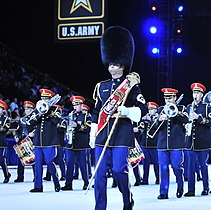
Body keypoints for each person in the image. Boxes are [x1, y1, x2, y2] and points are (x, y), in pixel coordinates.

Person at [89, 26, 147, 210]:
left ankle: (127, 199)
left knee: (118, 170)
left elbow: (142, 109)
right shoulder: (101, 86)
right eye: (110, 62)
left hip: (122, 132)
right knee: (99, 174)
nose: (111, 65)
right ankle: (100, 207)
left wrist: (127, 111)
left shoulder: (131, 86)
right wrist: (93, 132)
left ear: (123, 64)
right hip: (102, 132)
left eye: (115, 62)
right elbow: (96, 110)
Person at [152, 88, 187, 199]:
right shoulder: (161, 109)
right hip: (162, 144)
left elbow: (186, 120)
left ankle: (180, 186)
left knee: (176, 167)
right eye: (166, 98)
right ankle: (164, 192)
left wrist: (175, 112)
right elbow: (154, 128)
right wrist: (159, 119)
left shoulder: (181, 108)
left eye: (170, 97)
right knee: (163, 168)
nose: (167, 100)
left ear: (175, 98)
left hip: (176, 144)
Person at [26, 88, 62, 193]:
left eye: (46, 99)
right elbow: (31, 123)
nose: (44, 100)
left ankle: (56, 182)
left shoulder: (55, 109)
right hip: (38, 141)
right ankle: (38, 186)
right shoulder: (37, 110)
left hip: (50, 141)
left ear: (51, 99)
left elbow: (56, 121)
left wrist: (47, 111)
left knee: (50, 162)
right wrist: (39, 113)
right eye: (43, 99)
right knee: (37, 164)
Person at [183, 82, 211, 197]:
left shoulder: (206, 107)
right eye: (194, 93)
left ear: (201, 95)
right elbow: (185, 120)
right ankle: (191, 190)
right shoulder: (189, 107)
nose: (195, 95)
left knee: (203, 165)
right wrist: (185, 124)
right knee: (190, 166)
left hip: (202, 142)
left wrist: (199, 118)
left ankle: (206, 188)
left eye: (197, 93)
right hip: (190, 142)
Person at [61, 95, 91, 191]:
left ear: (81, 105)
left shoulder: (87, 116)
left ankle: (86, 183)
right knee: (69, 164)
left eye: (77, 105)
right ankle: (68, 184)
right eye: (74, 105)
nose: (75, 107)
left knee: (83, 165)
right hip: (70, 143)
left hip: (81, 144)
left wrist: (77, 126)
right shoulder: (71, 114)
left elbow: (88, 128)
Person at [13, 101, 36, 182]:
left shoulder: (35, 119)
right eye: (25, 109)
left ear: (32, 109)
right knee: (21, 160)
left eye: (28, 109)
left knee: (33, 159)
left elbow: (38, 129)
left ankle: (36, 177)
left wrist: (33, 133)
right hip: (22, 140)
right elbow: (18, 129)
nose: (26, 110)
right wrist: (16, 136)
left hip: (32, 141)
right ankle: (20, 177)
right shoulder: (22, 119)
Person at [43, 104, 67, 181]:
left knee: (60, 159)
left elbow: (62, 129)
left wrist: (55, 124)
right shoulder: (50, 120)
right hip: (51, 142)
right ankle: (48, 175)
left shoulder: (62, 120)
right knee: (50, 160)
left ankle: (64, 175)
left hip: (60, 143)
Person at [138, 102, 160, 185]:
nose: (150, 111)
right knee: (145, 163)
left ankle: (158, 178)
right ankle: (145, 179)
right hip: (145, 144)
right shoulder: (145, 117)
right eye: (149, 109)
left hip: (154, 144)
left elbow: (156, 127)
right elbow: (141, 128)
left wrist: (150, 121)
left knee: (156, 163)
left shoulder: (158, 118)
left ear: (156, 110)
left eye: (152, 109)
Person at [0, 100, 11, 183]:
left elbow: (4, 130)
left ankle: (6, 175)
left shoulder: (6, 119)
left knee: (1, 160)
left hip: (1, 142)